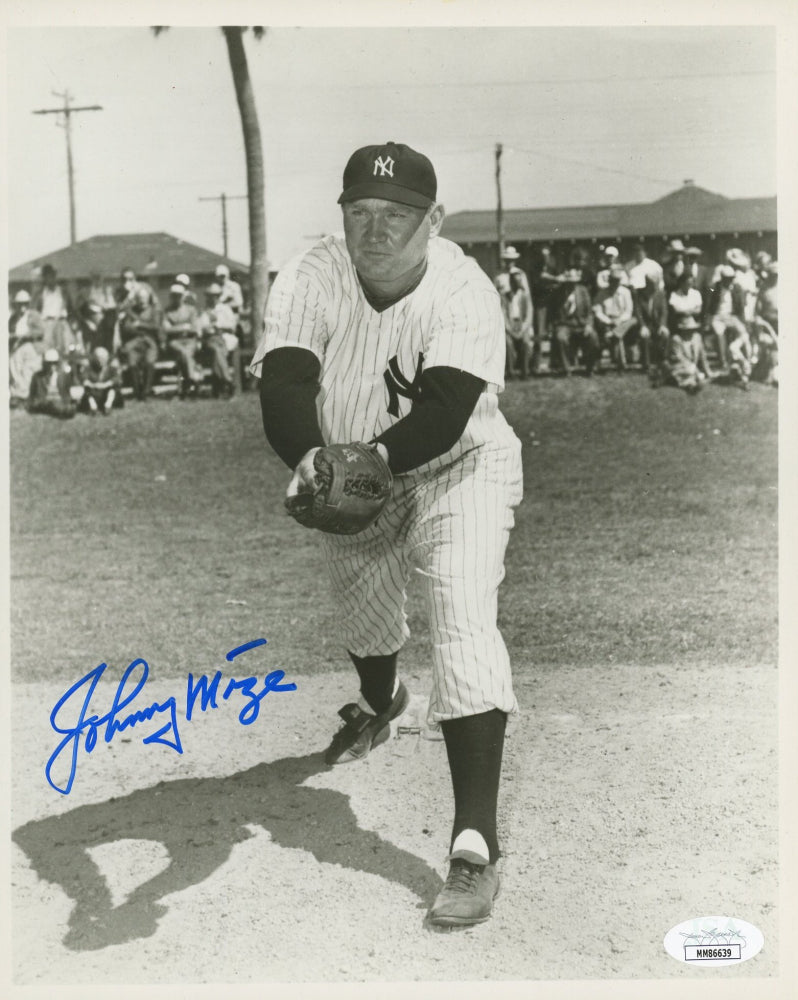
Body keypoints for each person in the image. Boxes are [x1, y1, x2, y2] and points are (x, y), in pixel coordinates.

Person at [251, 140, 523, 927]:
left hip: (457, 466)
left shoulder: (464, 289)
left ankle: (474, 848)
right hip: (345, 470)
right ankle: (381, 702)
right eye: (360, 213)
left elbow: (441, 415)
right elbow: (286, 381)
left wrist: (363, 465)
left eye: (397, 215)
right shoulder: (312, 273)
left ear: (432, 219)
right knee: (365, 616)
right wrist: (315, 464)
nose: (375, 230)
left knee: (462, 614)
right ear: (341, 217)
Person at [116, 267, 160, 401]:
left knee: (150, 360)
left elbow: (156, 325)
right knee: (131, 360)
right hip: (133, 340)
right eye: (124, 279)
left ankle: (146, 392)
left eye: (130, 278)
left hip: (149, 340)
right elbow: (126, 326)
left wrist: (140, 325)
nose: (142, 301)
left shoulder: (147, 294)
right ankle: (137, 392)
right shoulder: (123, 296)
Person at [706, 264, 751, 385]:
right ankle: (723, 362)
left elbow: (741, 307)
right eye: (726, 278)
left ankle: (746, 360)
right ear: (722, 278)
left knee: (743, 332)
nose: (728, 281)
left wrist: (742, 322)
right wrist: (709, 320)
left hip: (732, 316)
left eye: (730, 278)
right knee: (719, 332)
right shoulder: (715, 287)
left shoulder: (736, 288)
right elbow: (710, 306)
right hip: (718, 316)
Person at [549, 267, 598, 376]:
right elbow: (553, 313)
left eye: (574, 282)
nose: (571, 285)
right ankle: (566, 369)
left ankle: (590, 368)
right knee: (560, 337)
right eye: (569, 282)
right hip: (565, 324)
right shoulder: (558, 293)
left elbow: (589, 311)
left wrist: (589, 325)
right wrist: (556, 325)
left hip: (581, 324)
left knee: (593, 337)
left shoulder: (583, 291)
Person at [592, 264, 636, 372]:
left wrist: (619, 320)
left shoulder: (626, 292)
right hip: (606, 322)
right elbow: (597, 311)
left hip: (622, 321)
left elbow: (628, 311)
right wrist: (608, 321)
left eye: (617, 281)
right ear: (609, 280)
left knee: (633, 321)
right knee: (617, 336)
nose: (615, 283)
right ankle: (621, 365)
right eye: (613, 280)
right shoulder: (601, 293)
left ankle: (614, 333)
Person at [162, 283, 203, 397]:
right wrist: (184, 327)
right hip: (175, 342)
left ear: (183, 296)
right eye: (174, 295)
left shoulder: (191, 310)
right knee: (184, 353)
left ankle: (188, 383)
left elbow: (195, 328)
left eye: (179, 295)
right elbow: (167, 330)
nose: (177, 298)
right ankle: (193, 378)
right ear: (171, 296)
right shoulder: (167, 311)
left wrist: (177, 328)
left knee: (186, 353)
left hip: (190, 340)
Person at [197, 284, 236, 397]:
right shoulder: (204, 311)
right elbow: (200, 328)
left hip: (224, 337)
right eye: (209, 296)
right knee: (216, 350)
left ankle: (220, 387)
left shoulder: (225, 309)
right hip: (209, 339)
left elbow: (232, 326)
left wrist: (219, 326)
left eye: (214, 296)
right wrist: (208, 328)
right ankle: (228, 380)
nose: (212, 298)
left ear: (218, 296)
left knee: (217, 353)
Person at [9, 290, 45, 407]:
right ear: (16, 305)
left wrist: (25, 335)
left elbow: (40, 331)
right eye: (19, 304)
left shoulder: (33, 315)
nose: (22, 307)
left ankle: (25, 396)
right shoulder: (13, 318)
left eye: (24, 303)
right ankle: (17, 395)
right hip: (16, 348)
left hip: (31, 346)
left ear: (28, 304)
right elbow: (10, 332)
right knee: (14, 367)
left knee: (28, 369)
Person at [33, 263, 77, 355]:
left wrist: (72, 323)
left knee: (69, 348)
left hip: (62, 323)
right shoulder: (41, 294)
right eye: (47, 276)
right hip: (47, 324)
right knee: (47, 350)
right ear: (44, 278)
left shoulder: (63, 292)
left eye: (52, 276)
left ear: (55, 276)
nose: (50, 279)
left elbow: (71, 310)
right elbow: (35, 312)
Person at [662, 314, 713, 394]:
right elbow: (679, 358)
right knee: (690, 371)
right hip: (678, 366)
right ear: (683, 329)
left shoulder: (697, 337)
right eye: (688, 329)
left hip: (692, 368)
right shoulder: (676, 339)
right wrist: (694, 369)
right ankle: (690, 385)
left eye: (692, 329)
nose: (690, 331)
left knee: (697, 374)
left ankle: (691, 383)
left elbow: (702, 356)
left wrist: (708, 372)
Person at [634, 274, 669, 382]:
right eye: (652, 285)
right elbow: (638, 312)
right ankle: (647, 365)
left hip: (657, 325)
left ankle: (662, 361)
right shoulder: (639, 294)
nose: (654, 287)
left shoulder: (660, 294)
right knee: (644, 336)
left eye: (656, 284)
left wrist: (663, 325)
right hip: (645, 324)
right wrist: (643, 326)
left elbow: (664, 312)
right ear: (647, 284)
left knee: (665, 334)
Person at [500, 268, 534, 379]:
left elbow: (529, 315)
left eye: (519, 281)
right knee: (508, 343)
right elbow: (503, 314)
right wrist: (509, 329)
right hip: (509, 324)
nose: (517, 284)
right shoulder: (505, 296)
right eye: (514, 281)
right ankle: (511, 372)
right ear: (510, 282)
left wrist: (523, 329)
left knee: (525, 342)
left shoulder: (525, 296)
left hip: (521, 325)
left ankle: (525, 372)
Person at [27, 348, 76, 418]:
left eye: (54, 363)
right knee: (51, 405)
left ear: (57, 363)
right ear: (45, 364)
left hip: (59, 401)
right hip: (44, 402)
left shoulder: (63, 375)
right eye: (49, 363)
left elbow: (66, 392)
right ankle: (62, 411)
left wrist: (67, 401)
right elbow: (32, 394)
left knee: (59, 405)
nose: (52, 366)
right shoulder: (37, 376)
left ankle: (64, 410)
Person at [753, 261, 778, 386]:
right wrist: (758, 320)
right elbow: (757, 308)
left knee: (776, 347)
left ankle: (772, 373)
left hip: (781, 323)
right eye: (772, 274)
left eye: (776, 275)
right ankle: (768, 372)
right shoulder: (764, 288)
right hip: (767, 323)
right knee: (769, 345)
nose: (774, 277)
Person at [81, 346, 123, 415]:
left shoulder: (111, 368)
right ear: (95, 358)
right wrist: (93, 385)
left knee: (113, 388)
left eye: (104, 358)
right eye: (99, 358)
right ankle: (93, 407)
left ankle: (108, 406)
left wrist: (106, 384)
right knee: (87, 389)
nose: (102, 360)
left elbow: (117, 378)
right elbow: (84, 379)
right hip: (94, 392)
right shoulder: (89, 368)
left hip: (106, 393)